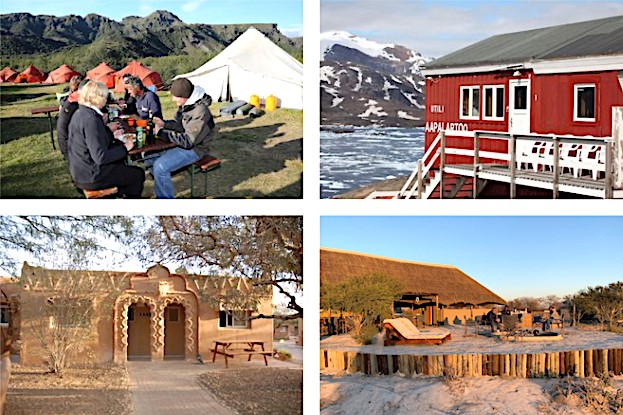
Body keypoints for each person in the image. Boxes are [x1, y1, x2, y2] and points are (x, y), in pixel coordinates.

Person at [67, 80, 145, 198]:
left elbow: (92, 138)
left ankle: (120, 194)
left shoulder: (81, 113)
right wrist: (125, 147)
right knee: (137, 174)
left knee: (121, 164)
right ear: (99, 98)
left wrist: (109, 133)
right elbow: (101, 157)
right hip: (91, 176)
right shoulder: (91, 119)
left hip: (80, 170)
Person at [149, 77, 215, 198]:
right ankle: (162, 185)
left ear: (185, 96)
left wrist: (161, 133)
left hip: (195, 149)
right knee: (149, 158)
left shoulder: (200, 112)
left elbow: (188, 141)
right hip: (187, 144)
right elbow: (180, 125)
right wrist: (164, 124)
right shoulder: (188, 105)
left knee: (160, 166)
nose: (173, 99)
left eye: (175, 96)